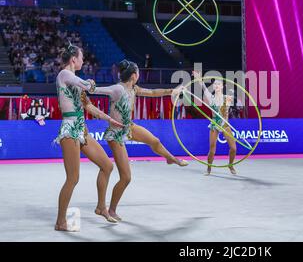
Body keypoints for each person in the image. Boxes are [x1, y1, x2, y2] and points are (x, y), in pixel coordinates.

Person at [92, 59, 188, 221]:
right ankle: (111, 209)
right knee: (126, 177)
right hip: (116, 134)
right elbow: (98, 90)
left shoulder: (134, 89)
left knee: (155, 141)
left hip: (128, 126)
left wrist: (173, 90)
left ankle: (171, 159)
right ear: (135, 75)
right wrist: (88, 85)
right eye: (138, 73)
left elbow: (152, 93)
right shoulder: (118, 89)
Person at [54, 44, 124, 232]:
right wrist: (91, 84)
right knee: (73, 178)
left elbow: (89, 106)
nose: (84, 60)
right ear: (73, 59)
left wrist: (110, 119)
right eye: (81, 57)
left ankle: (101, 207)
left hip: (81, 129)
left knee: (107, 166)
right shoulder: (64, 75)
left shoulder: (76, 81)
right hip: (69, 129)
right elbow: (86, 85)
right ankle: (61, 221)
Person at [192, 71, 237, 176]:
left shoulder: (228, 98)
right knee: (212, 149)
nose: (216, 86)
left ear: (222, 86)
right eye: (215, 84)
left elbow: (226, 109)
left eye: (219, 84)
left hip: (225, 125)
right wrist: (199, 79)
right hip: (214, 125)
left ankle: (230, 165)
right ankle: (208, 169)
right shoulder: (211, 98)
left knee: (234, 148)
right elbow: (204, 88)